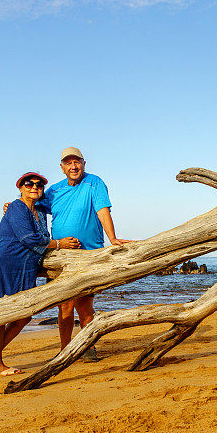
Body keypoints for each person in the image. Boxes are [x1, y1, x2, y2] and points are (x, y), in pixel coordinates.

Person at [0, 171, 80, 376]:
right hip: (5, 263)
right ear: (20, 188)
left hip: (25, 267)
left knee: (24, 316)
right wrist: (60, 244)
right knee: (0, 316)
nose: (34, 187)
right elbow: (29, 239)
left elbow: (41, 237)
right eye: (29, 184)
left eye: (39, 185)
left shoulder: (40, 211)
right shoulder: (17, 207)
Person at [47, 147, 131, 359]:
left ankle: (87, 346)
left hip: (89, 254)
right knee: (65, 305)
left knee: (85, 305)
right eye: (69, 163)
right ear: (62, 167)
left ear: (84, 164)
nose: (73, 166)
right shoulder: (54, 191)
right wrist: (12, 206)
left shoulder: (94, 183)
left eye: (77, 162)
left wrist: (112, 239)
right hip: (61, 257)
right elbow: (32, 205)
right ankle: (65, 350)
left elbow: (103, 211)